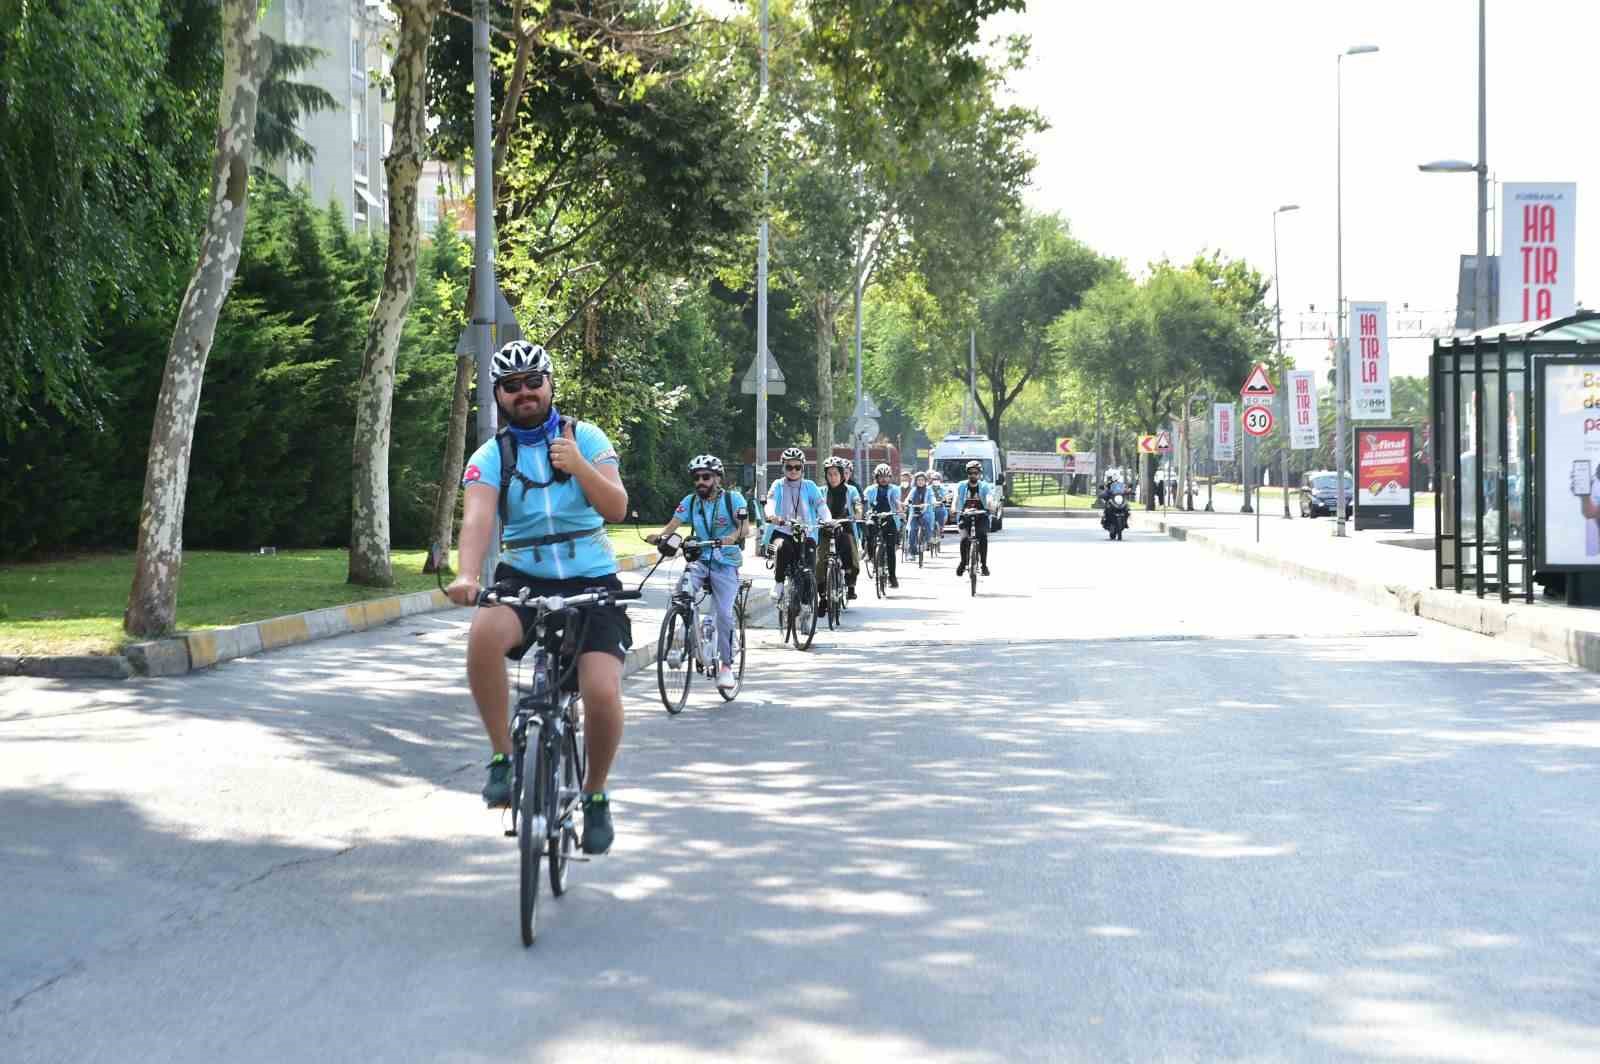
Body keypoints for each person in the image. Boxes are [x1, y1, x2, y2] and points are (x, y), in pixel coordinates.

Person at [446, 340, 629, 855]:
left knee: (600, 692)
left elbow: (616, 507)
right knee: (483, 635)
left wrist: (580, 466)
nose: (524, 392)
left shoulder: (586, 437)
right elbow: (478, 518)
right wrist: (466, 574)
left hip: (592, 580)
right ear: (498, 395)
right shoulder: (491, 455)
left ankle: (595, 794)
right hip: (523, 577)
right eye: (511, 386)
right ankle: (502, 758)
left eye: (533, 382)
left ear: (550, 384)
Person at [645, 454, 747, 692]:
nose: (700, 481)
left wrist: (731, 537)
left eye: (706, 477)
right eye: (696, 477)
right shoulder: (690, 501)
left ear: (717, 478)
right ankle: (679, 641)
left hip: (726, 562)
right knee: (681, 593)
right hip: (699, 559)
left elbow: (744, 528)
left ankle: (726, 666)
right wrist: (660, 536)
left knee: (724, 614)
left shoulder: (734, 499)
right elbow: (674, 524)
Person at [766, 446, 829, 606]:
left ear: (802, 468)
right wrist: (771, 515)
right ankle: (779, 583)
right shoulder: (778, 485)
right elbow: (770, 501)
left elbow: (821, 505)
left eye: (797, 467)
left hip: (807, 533)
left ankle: (807, 607)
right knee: (782, 548)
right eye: (789, 467)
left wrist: (828, 520)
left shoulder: (810, 486)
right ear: (783, 468)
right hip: (783, 531)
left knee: (809, 572)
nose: (793, 470)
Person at [816, 456, 861, 600]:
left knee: (850, 552)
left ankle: (850, 584)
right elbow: (814, 507)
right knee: (819, 560)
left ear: (842, 475)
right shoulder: (820, 491)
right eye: (829, 474)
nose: (833, 477)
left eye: (836, 474)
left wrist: (858, 513)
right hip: (825, 527)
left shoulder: (851, 490)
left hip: (845, 526)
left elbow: (857, 503)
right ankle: (822, 595)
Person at [862, 463, 902, 588]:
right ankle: (870, 554)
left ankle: (892, 577)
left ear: (890, 477)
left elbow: (896, 501)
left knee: (890, 549)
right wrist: (865, 511)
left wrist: (899, 509)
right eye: (881, 477)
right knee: (869, 528)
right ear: (876, 477)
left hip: (889, 517)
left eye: (886, 476)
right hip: (874, 517)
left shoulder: (894, 489)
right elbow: (865, 503)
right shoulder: (870, 490)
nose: (884, 479)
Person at [955, 459, 994, 577]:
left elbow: (989, 497)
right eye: (970, 473)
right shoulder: (961, 485)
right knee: (964, 538)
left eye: (975, 473)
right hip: (965, 515)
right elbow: (956, 498)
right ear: (967, 474)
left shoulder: (984, 486)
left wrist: (990, 505)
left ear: (979, 474)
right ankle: (963, 562)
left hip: (981, 516)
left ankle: (984, 565)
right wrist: (953, 508)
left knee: (983, 536)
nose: (973, 475)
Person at [902, 470, 936, 557]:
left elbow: (932, 497)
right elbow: (908, 499)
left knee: (927, 524)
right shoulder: (913, 490)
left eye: (922, 480)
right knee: (912, 530)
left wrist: (933, 502)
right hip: (915, 512)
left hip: (926, 512)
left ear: (925, 481)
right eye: (918, 480)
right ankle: (912, 551)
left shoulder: (929, 490)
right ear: (915, 481)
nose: (920, 482)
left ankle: (928, 541)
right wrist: (906, 503)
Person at [929, 471, 950, 540]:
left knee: (943, 513)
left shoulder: (943, 488)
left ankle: (941, 528)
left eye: (937, 479)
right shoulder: (928, 488)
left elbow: (946, 496)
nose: (935, 480)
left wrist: (945, 499)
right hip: (930, 507)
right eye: (934, 479)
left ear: (940, 480)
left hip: (940, 507)